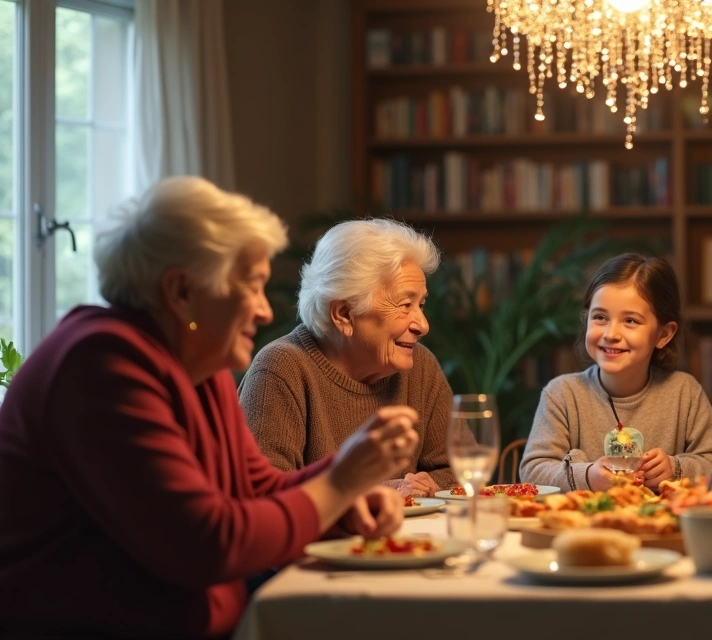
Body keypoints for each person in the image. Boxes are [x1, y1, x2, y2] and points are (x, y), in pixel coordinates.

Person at [0, 177, 417, 638]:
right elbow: (207, 546)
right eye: (252, 286)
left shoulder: (198, 360)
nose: (264, 311)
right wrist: (340, 483)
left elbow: (255, 490)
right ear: (181, 292)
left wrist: (346, 502)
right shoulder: (101, 365)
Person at [240, 219, 455, 497]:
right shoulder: (280, 370)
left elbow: (460, 470)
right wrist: (381, 492)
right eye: (405, 305)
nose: (422, 325)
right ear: (343, 314)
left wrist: (430, 486)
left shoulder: (420, 366)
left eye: (421, 304)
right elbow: (266, 499)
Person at [520, 253, 712, 491]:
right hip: (585, 515)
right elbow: (533, 470)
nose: (611, 334)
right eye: (600, 317)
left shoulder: (685, 392)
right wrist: (587, 475)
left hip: (662, 514)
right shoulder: (562, 394)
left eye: (630, 321)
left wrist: (676, 468)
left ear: (663, 334)